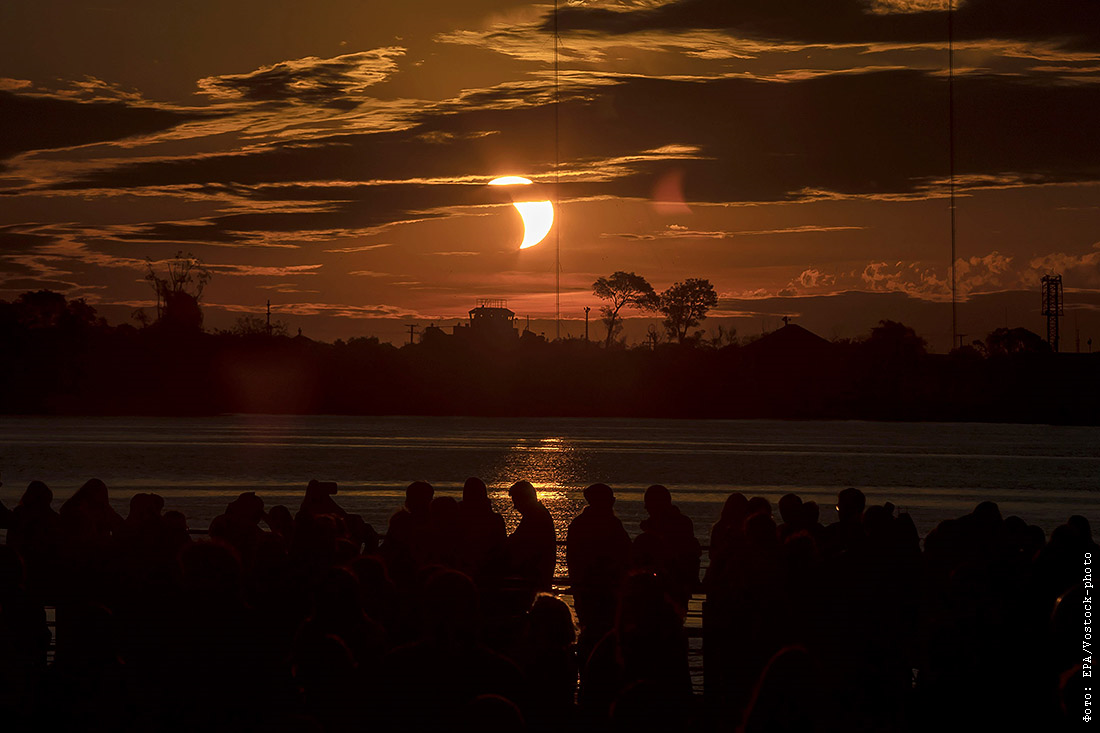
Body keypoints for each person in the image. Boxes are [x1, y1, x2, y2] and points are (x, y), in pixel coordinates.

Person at [566, 483, 631, 651]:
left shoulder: (579, 525)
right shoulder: (611, 525)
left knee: (591, 633)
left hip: (588, 590)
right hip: (602, 591)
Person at [505, 481, 556, 593]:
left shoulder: (534, 517)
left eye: (516, 501)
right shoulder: (537, 514)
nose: (515, 507)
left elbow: (519, 542)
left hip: (534, 578)